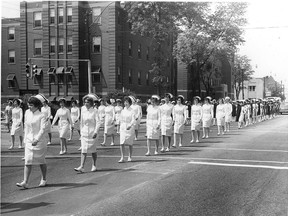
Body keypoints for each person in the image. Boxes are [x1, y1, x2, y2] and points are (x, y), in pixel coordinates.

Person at [16, 94, 48, 188]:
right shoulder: (27, 113)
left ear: (37, 106)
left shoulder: (42, 115)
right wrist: (25, 140)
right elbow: (26, 126)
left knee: (41, 161)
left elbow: (42, 129)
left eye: (31, 105)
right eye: (29, 105)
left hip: (39, 141)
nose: (29, 107)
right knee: (28, 160)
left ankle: (44, 179)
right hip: (29, 140)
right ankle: (25, 181)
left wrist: (37, 139)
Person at [74, 94, 100, 173]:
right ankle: (81, 166)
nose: (86, 104)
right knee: (84, 150)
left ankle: (94, 165)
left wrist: (96, 132)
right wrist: (81, 131)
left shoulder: (95, 111)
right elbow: (81, 121)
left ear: (91, 103)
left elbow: (98, 122)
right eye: (85, 102)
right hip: (84, 133)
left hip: (92, 133)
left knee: (93, 150)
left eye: (87, 102)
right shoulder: (82, 109)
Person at [118, 96, 137, 162]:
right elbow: (120, 119)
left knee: (129, 143)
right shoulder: (123, 110)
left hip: (129, 127)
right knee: (121, 143)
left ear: (130, 103)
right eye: (125, 102)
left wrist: (130, 125)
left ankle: (129, 156)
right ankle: (122, 157)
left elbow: (133, 119)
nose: (125, 103)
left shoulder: (132, 111)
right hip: (123, 127)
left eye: (127, 102)